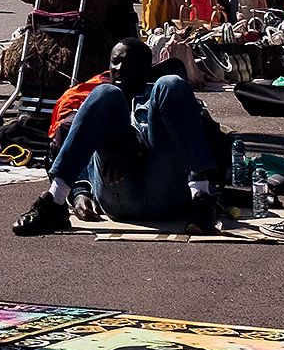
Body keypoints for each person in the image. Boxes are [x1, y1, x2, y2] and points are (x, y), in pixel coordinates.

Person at [17, 38, 228, 234]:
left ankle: (201, 198)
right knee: (106, 93)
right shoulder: (98, 104)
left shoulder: (167, 98)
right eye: (115, 62)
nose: (120, 69)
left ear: (146, 71)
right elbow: (73, 143)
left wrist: (140, 142)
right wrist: (80, 191)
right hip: (118, 192)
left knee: (171, 82)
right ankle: (55, 201)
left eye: (130, 63)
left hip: (167, 193)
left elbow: (212, 145)